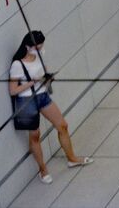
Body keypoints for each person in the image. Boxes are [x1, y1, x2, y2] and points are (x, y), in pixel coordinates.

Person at [9, 31, 92, 183]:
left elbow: (42, 77)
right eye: (38, 47)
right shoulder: (17, 65)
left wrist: (48, 79)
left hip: (42, 96)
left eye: (41, 46)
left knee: (62, 126)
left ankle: (72, 158)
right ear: (28, 47)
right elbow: (13, 90)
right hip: (27, 101)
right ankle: (43, 169)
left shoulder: (39, 57)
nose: (40, 49)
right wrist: (33, 82)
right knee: (35, 136)